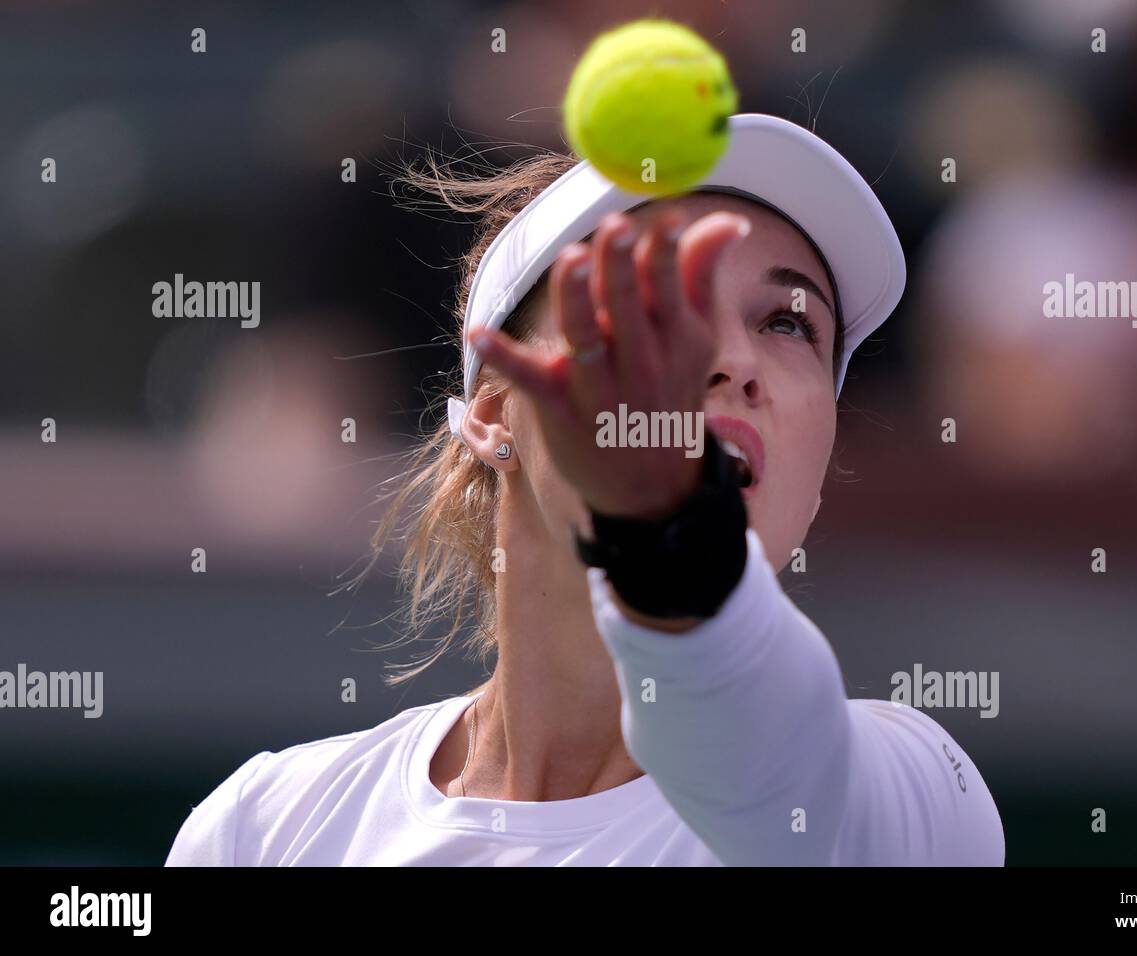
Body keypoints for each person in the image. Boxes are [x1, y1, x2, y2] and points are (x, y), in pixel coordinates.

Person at [164, 114, 1004, 866]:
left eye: (789, 323)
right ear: (495, 412)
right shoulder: (262, 830)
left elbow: (767, 771)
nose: (734, 362)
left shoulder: (918, 801)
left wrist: (663, 532)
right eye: (655, 302)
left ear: (815, 481)